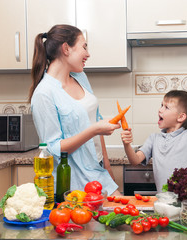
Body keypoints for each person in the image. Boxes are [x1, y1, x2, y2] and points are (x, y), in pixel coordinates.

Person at [28, 24, 121, 196]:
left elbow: (96, 119)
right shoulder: (44, 94)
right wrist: (94, 130)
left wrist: (107, 167)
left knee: (122, 219)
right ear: (66, 48)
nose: (88, 54)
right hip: (75, 181)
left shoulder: (80, 77)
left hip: (99, 172)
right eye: (84, 47)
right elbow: (54, 148)